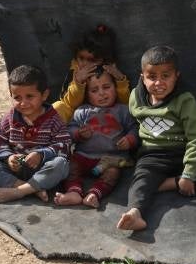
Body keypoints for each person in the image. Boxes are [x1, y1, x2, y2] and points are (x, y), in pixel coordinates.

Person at [117, 45, 196, 232]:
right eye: (152, 77)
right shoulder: (135, 98)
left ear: (176, 76)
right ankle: (135, 213)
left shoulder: (184, 100)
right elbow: (136, 125)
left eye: (165, 76)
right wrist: (130, 140)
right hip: (152, 155)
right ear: (142, 77)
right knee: (141, 179)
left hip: (182, 152)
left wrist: (188, 174)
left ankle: (169, 183)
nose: (159, 83)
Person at [0, 64, 71, 203]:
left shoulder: (53, 119)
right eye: (17, 97)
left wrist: (41, 154)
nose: (23, 103)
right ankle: (32, 188)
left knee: (61, 165)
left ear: (44, 95)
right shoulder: (8, 119)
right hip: (16, 170)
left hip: (43, 168)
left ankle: (19, 192)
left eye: (29, 96)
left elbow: (64, 145)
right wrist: (8, 158)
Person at [54, 67, 138, 208]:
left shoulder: (123, 110)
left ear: (115, 88)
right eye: (94, 90)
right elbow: (69, 131)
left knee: (113, 173)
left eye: (106, 87)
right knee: (70, 164)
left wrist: (130, 140)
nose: (102, 93)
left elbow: (134, 129)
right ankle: (74, 191)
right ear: (87, 94)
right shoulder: (82, 111)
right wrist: (78, 134)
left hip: (112, 159)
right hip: (84, 156)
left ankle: (94, 194)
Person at [53, 24, 131, 122]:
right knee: (58, 107)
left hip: (110, 112)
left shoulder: (110, 70)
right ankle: (53, 134)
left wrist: (120, 80)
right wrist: (78, 83)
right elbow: (70, 104)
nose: (85, 64)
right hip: (79, 117)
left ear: (104, 59)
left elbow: (126, 101)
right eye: (81, 58)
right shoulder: (75, 71)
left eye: (92, 60)